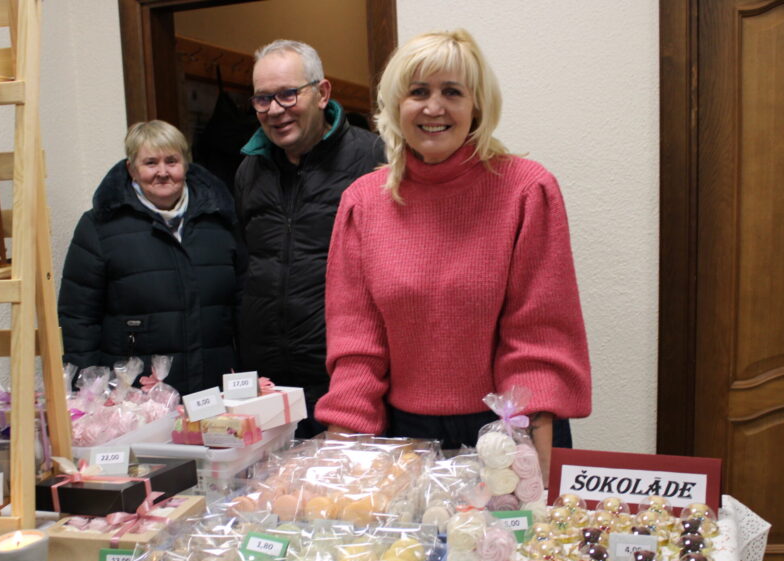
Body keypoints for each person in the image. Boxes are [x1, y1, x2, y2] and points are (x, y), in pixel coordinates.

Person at [315, 29, 592, 475]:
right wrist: (339, 463)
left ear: (476, 105)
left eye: (452, 92)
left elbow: (538, 337)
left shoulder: (526, 190)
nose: (434, 107)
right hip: (402, 435)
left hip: (511, 428)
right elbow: (357, 346)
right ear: (394, 105)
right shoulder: (362, 203)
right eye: (418, 92)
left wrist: (532, 472)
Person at [235, 39, 385, 438]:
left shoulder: (375, 161)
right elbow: (246, 266)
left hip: (346, 381)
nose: (275, 110)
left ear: (322, 93)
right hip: (270, 387)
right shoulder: (249, 171)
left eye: (287, 94)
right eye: (263, 99)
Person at [58, 120, 244, 397]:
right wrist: (86, 390)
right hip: (135, 393)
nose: (163, 172)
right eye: (150, 163)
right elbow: (79, 317)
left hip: (213, 385)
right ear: (132, 169)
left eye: (172, 161)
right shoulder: (99, 227)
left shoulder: (219, 220)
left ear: (186, 165)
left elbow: (243, 302)